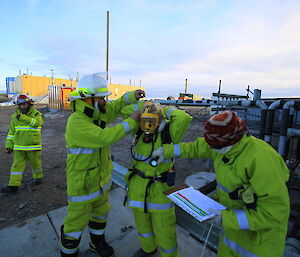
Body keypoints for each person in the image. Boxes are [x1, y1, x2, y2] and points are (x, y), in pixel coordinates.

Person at [152, 110, 290, 257]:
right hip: (230, 235)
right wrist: (166, 151)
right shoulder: (222, 145)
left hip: (259, 245)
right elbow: (196, 147)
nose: (211, 149)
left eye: (214, 147)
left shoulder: (262, 161)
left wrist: (228, 218)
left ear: (232, 141)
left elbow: (274, 213)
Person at [60, 73, 144, 257]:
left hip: (100, 180)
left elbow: (114, 106)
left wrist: (131, 96)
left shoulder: (96, 113)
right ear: (89, 99)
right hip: (82, 184)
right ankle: (68, 252)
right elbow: (105, 137)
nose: (105, 101)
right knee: (75, 222)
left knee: (100, 213)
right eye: (102, 97)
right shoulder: (77, 122)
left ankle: (97, 243)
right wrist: (132, 121)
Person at [121, 101, 192, 257]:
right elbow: (124, 110)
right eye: (144, 120)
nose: (147, 125)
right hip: (137, 187)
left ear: (159, 120)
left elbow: (184, 118)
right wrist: (143, 107)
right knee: (142, 225)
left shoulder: (168, 133)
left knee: (165, 230)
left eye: (152, 121)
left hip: (160, 189)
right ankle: (148, 249)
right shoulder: (138, 132)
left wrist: (162, 110)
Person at [1, 94, 44, 193]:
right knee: (16, 166)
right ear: (18, 105)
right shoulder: (15, 117)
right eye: (21, 105)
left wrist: (22, 117)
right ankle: (13, 185)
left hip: (33, 147)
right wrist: (9, 145)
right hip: (19, 147)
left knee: (36, 164)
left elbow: (37, 123)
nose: (23, 107)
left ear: (28, 104)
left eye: (24, 104)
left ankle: (38, 177)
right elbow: (11, 133)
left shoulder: (37, 114)